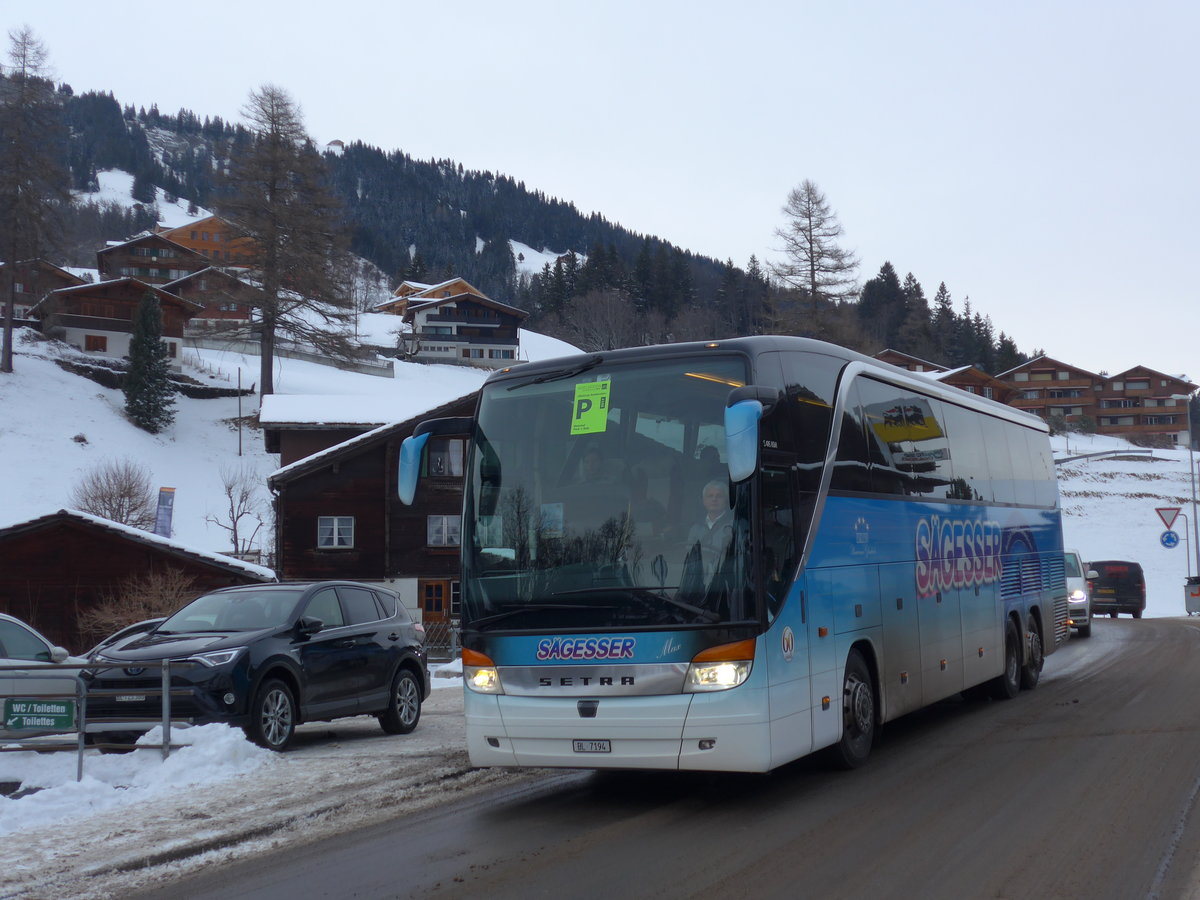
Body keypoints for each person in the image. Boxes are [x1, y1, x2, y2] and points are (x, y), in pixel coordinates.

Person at [684, 479, 734, 584]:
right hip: (697, 582)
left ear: (726, 500)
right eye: (710, 496)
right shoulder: (695, 528)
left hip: (723, 582)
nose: (714, 499)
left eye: (719, 496)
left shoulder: (734, 525)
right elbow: (689, 557)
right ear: (703, 501)